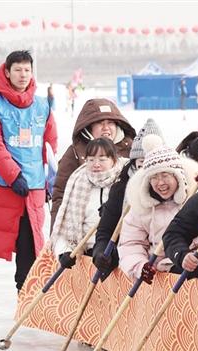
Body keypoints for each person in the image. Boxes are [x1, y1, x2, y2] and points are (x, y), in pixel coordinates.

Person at [0, 50, 58, 312]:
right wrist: (13, 174)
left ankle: (25, 296)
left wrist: (48, 179)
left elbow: (49, 144)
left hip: (32, 187)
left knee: (29, 244)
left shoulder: (42, 106)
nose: (23, 75)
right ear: (7, 72)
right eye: (17, 70)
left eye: (27, 70)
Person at [91, 118, 164, 278]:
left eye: (153, 164)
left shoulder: (170, 189)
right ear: (134, 163)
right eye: (142, 163)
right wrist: (101, 252)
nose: (146, 171)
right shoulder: (122, 189)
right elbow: (105, 230)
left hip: (164, 264)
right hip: (130, 262)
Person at [50, 98, 135, 226]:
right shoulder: (75, 152)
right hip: (86, 227)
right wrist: (55, 232)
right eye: (100, 123)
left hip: (124, 227)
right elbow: (60, 195)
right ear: (89, 126)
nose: (106, 128)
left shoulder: (131, 149)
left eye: (110, 122)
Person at [118, 146, 193, 282]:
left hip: (189, 269)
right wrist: (140, 267)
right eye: (154, 177)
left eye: (165, 175)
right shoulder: (141, 207)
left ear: (178, 176)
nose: (160, 183)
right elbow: (131, 244)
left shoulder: (193, 201)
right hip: (157, 275)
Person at [49, 138, 120, 270]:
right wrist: (64, 251)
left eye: (102, 159)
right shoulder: (77, 183)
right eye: (91, 160)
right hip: (85, 256)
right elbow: (64, 227)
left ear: (114, 160)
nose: (96, 164)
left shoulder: (122, 183)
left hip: (115, 254)